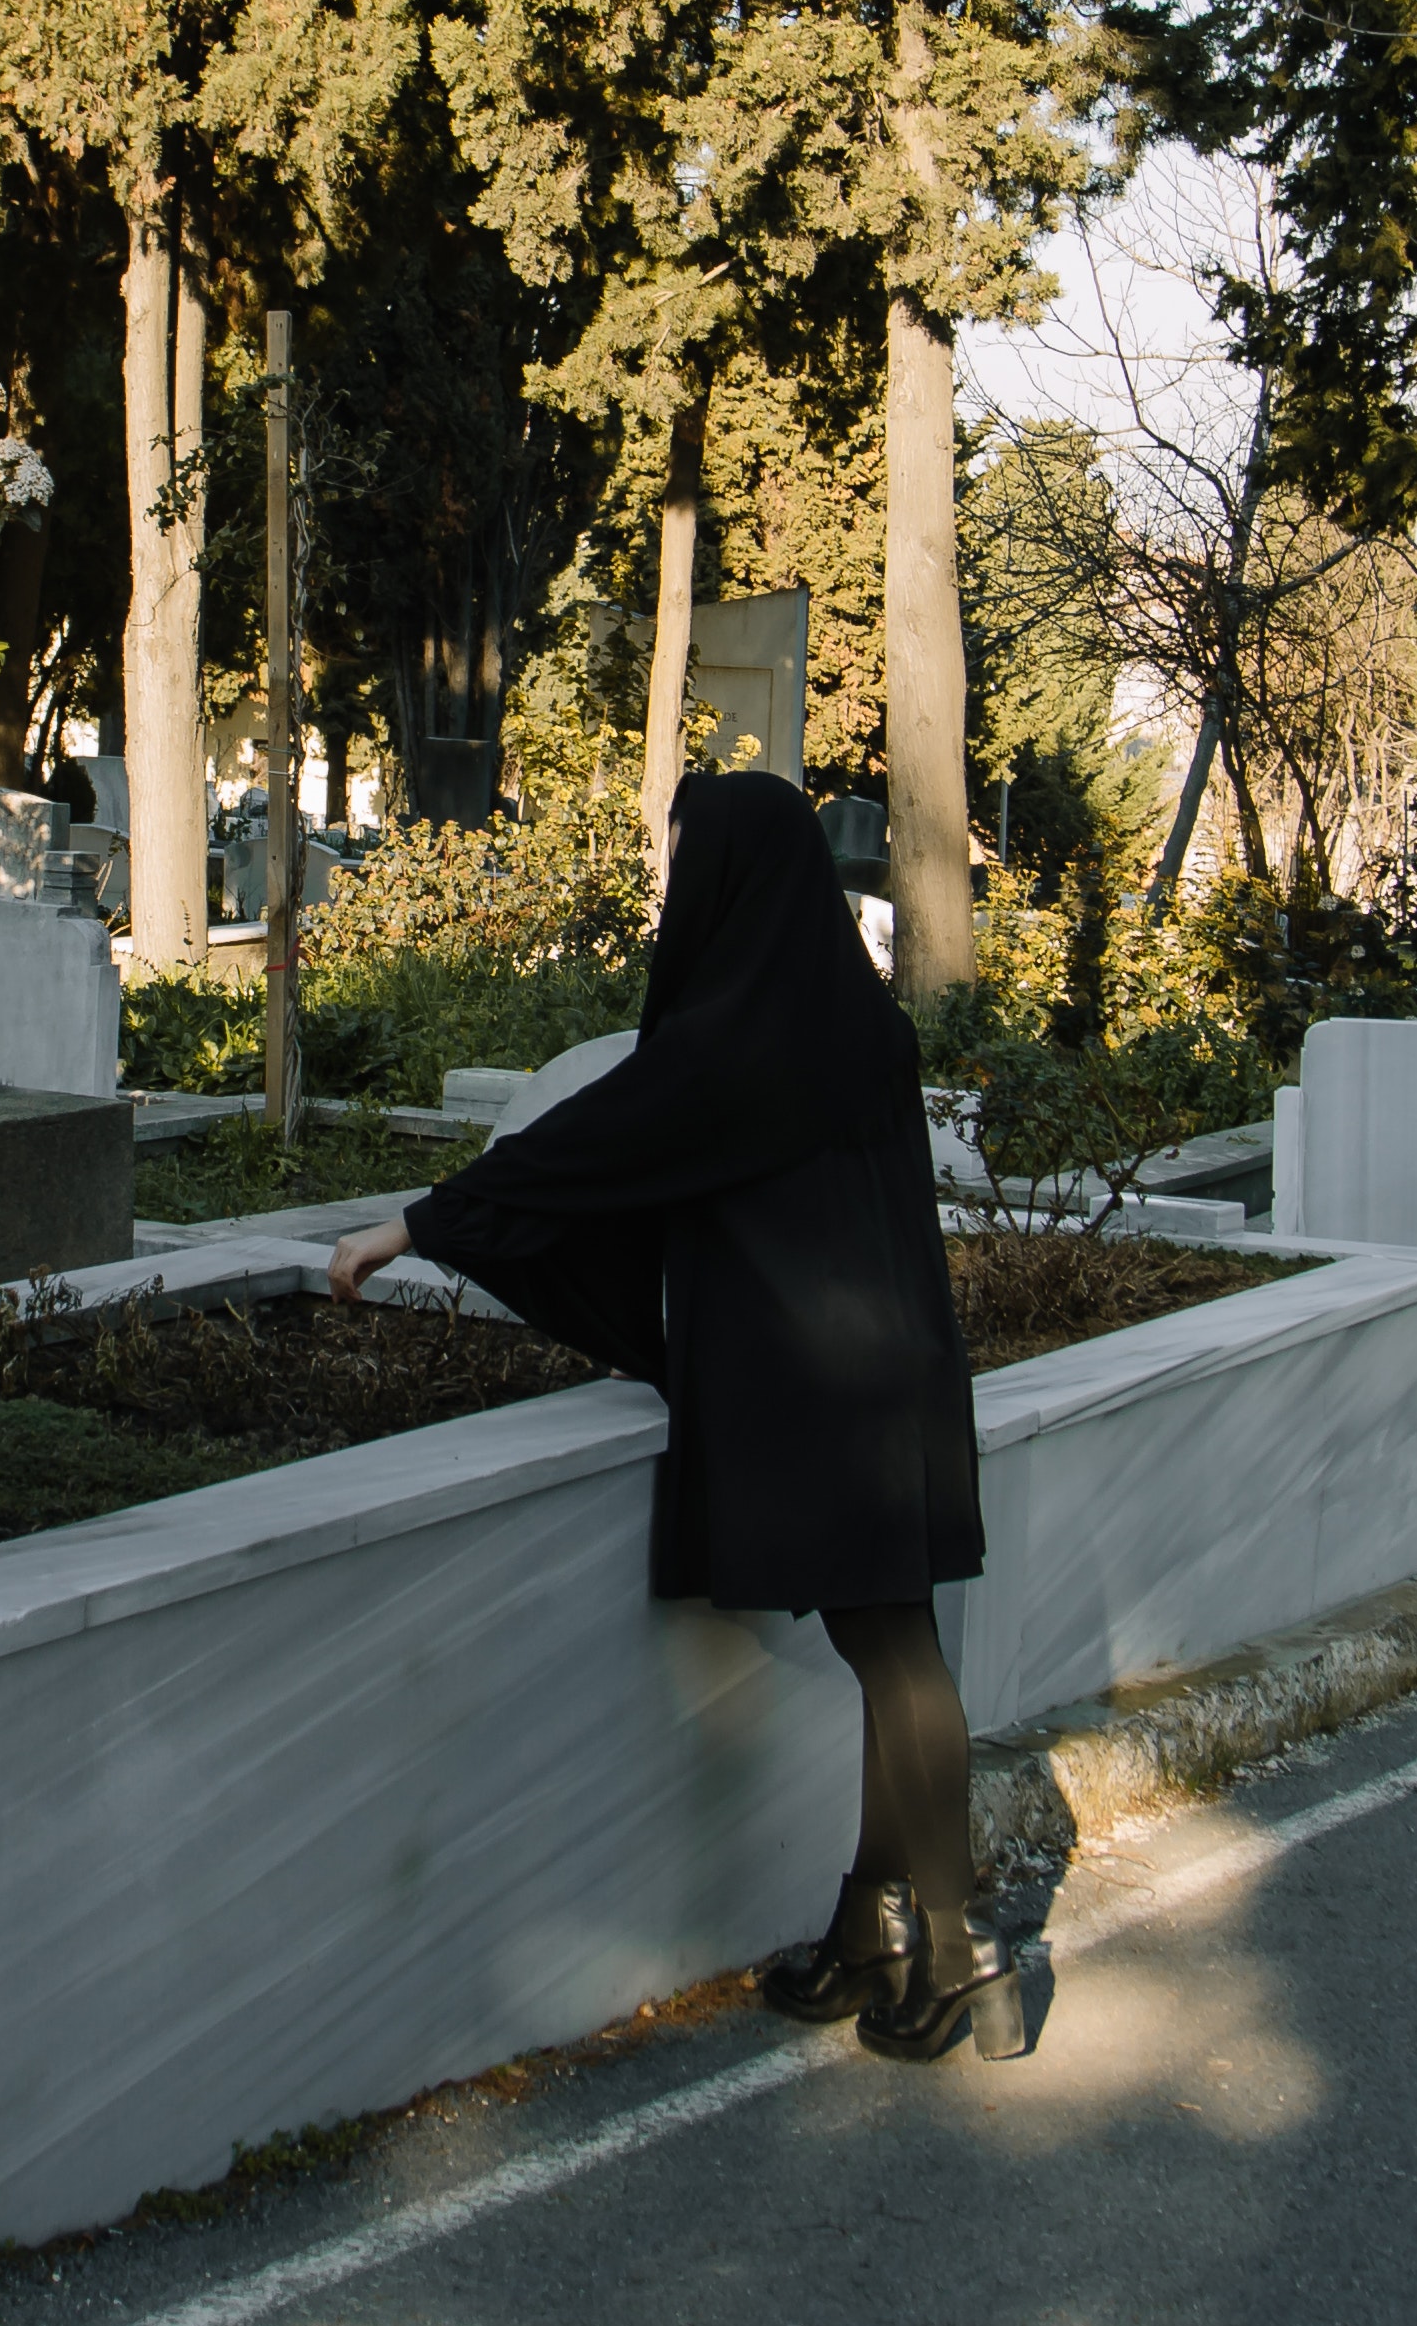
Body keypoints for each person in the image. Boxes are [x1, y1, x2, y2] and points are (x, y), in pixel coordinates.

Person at [325, 766, 1027, 2065]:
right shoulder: (860, 1023)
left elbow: (588, 1145)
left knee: (895, 1660)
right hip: (906, 1381)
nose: (673, 883)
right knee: (898, 1656)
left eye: (684, 854)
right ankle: (876, 1933)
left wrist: (414, 1225)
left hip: (816, 1396)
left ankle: (958, 1933)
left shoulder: (735, 1036)